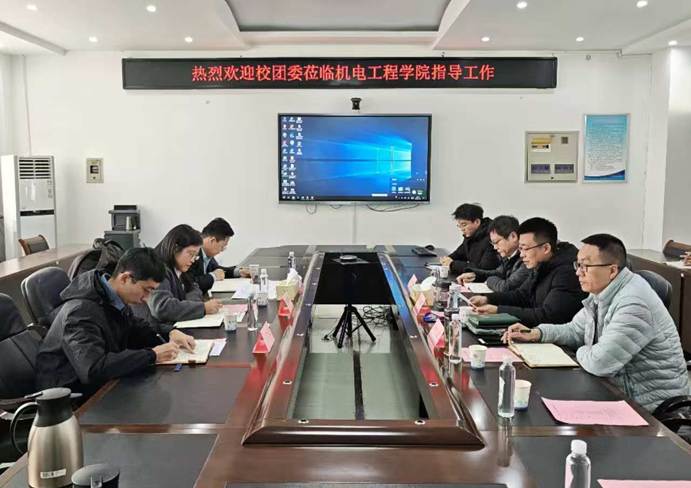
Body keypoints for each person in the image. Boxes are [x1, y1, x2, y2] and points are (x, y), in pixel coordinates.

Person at [503, 234, 689, 412]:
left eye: (585, 266)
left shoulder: (634, 303)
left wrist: (581, 350)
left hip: (650, 407)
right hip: (617, 389)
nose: (578, 272)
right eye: (578, 264)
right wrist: (537, 333)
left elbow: (599, 363)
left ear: (612, 270)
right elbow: (575, 330)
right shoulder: (603, 291)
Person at [36, 248, 192, 394]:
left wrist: (170, 333)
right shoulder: (79, 312)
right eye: (146, 290)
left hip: (101, 384)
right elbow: (93, 369)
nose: (147, 298)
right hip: (70, 396)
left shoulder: (111, 296)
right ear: (125, 278)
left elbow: (135, 328)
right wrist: (152, 355)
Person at [470, 217, 586, 326]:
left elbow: (548, 316)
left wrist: (498, 310)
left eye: (525, 249)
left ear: (546, 248)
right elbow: (522, 295)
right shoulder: (542, 264)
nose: (521, 255)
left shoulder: (567, 272)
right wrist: (487, 299)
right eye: (520, 249)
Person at [132, 224, 223, 333]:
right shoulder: (158, 270)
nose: (193, 260)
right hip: (157, 333)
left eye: (196, 256)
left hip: (174, 328)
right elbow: (162, 308)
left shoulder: (180, 267)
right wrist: (202, 308)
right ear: (175, 248)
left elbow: (194, 287)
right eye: (191, 254)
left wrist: (192, 306)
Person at [457, 215, 530, 292]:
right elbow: (498, 273)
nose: (495, 247)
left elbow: (505, 287)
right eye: (493, 244)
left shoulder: (527, 258)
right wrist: (474, 275)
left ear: (513, 236)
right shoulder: (509, 255)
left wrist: (489, 280)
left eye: (496, 242)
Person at [190, 218, 249, 294]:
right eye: (222, 247)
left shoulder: (207, 253)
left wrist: (238, 272)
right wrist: (213, 276)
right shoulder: (192, 253)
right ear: (212, 241)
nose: (222, 250)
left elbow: (217, 270)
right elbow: (190, 283)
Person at [440, 203, 500, 274]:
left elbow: (484, 269)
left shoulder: (492, 238)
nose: (462, 229)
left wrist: (452, 264)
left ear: (477, 222)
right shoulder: (471, 235)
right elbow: (460, 253)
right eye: (459, 226)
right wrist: (448, 259)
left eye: (464, 225)